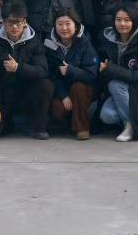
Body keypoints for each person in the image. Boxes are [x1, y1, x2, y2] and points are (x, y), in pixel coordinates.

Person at [0, 3, 50, 140]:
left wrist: (19, 68)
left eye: (18, 22)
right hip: (4, 97)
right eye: (10, 22)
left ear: (25, 22)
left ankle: (38, 127)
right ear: (3, 22)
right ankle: (7, 123)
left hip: (26, 94)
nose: (14, 27)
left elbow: (42, 70)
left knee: (46, 85)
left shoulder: (35, 42)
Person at [93, 5, 138, 142]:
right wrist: (103, 71)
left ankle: (130, 125)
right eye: (118, 20)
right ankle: (129, 119)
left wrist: (110, 68)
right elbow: (101, 69)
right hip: (117, 92)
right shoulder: (107, 40)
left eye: (127, 20)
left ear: (134, 21)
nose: (122, 24)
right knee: (107, 116)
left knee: (115, 84)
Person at [43, 10, 101, 140]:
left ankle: (82, 128)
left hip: (84, 88)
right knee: (57, 109)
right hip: (62, 89)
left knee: (78, 88)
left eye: (68, 24)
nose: (64, 28)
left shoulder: (85, 43)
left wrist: (70, 70)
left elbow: (92, 74)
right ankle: (68, 124)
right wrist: (63, 95)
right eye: (60, 24)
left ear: (76, 25)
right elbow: (50, 74)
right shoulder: (48, 43)